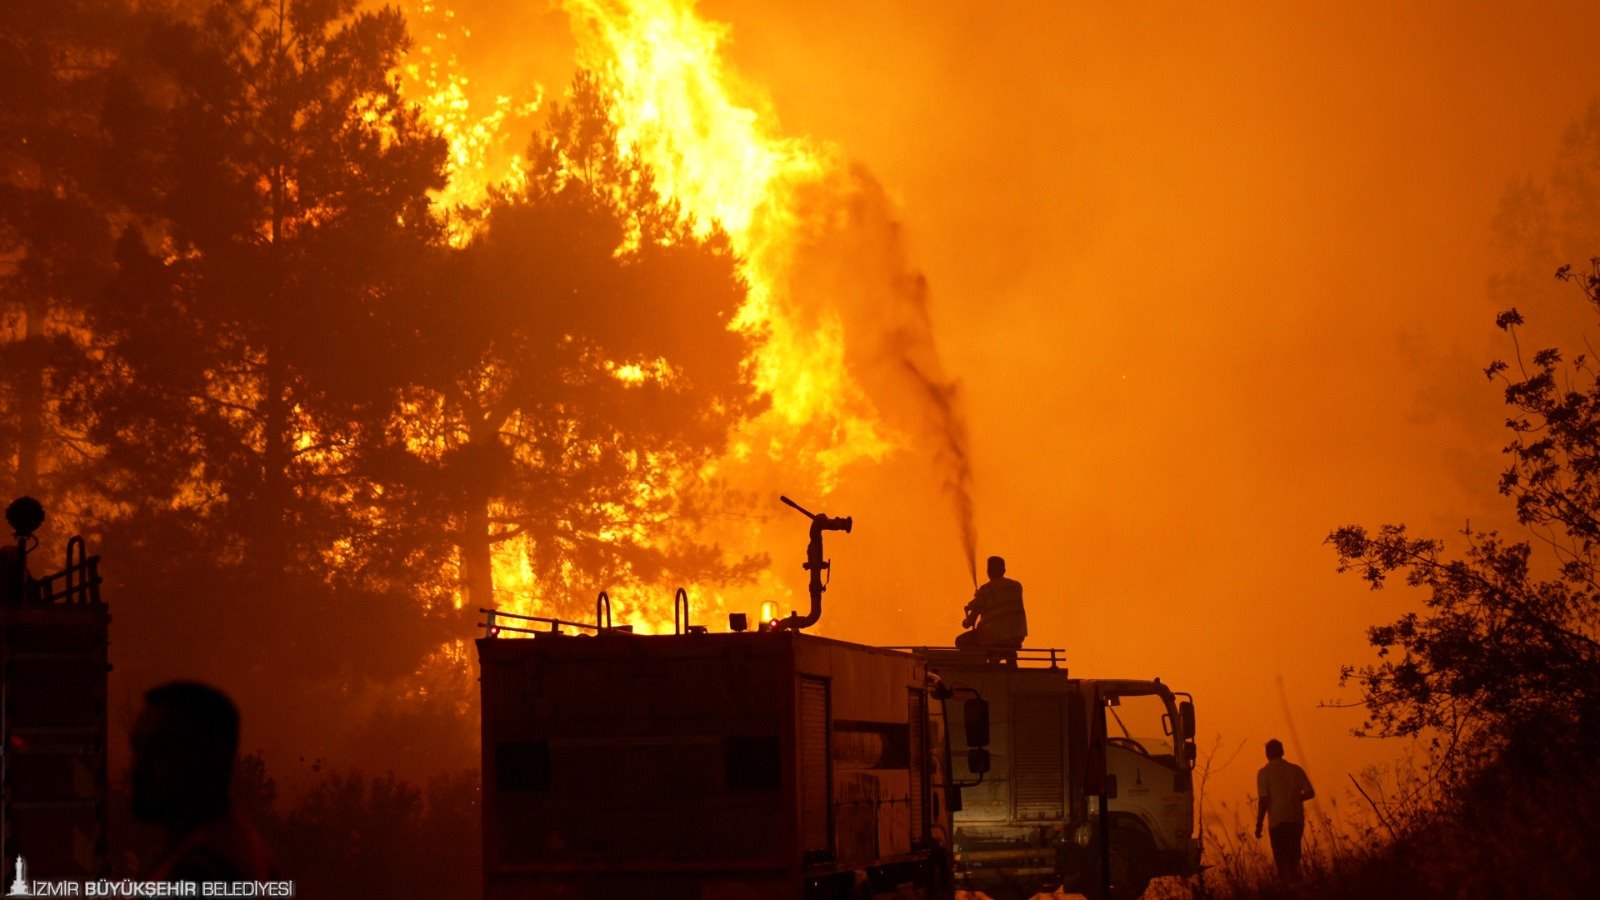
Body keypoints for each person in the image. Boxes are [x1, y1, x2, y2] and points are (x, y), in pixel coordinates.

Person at [131, 681, 277, 883]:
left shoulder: (206, 869)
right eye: (137, 748)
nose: (138, 768)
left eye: (160, 750)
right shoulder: (224, 847)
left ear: (211, 759)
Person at [1255, 738, 1315, 880]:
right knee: (1294, 858)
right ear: (1282, 751)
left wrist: (1259, 824)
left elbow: (1264, 801)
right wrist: (1296, 799)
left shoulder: (1264, 773)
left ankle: (1287, 887)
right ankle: (1296, 884)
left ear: (1267, 754)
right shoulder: (1296, 769)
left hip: (1277, 822)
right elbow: (1310, 793)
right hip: (1296, 820)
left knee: (1282, 861)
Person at [954, 555, 1027, 650]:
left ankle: (982, 659)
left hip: (995, 637)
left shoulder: (986, 589)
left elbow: (970, 622)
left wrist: (966, 621)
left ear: (988, 571)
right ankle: (1009, 657)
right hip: (1017, 637)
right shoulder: (1016, 586)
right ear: (1004, 570)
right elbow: (1001, 600)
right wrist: (978, 599)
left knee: (961, 641)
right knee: (1004, 647)